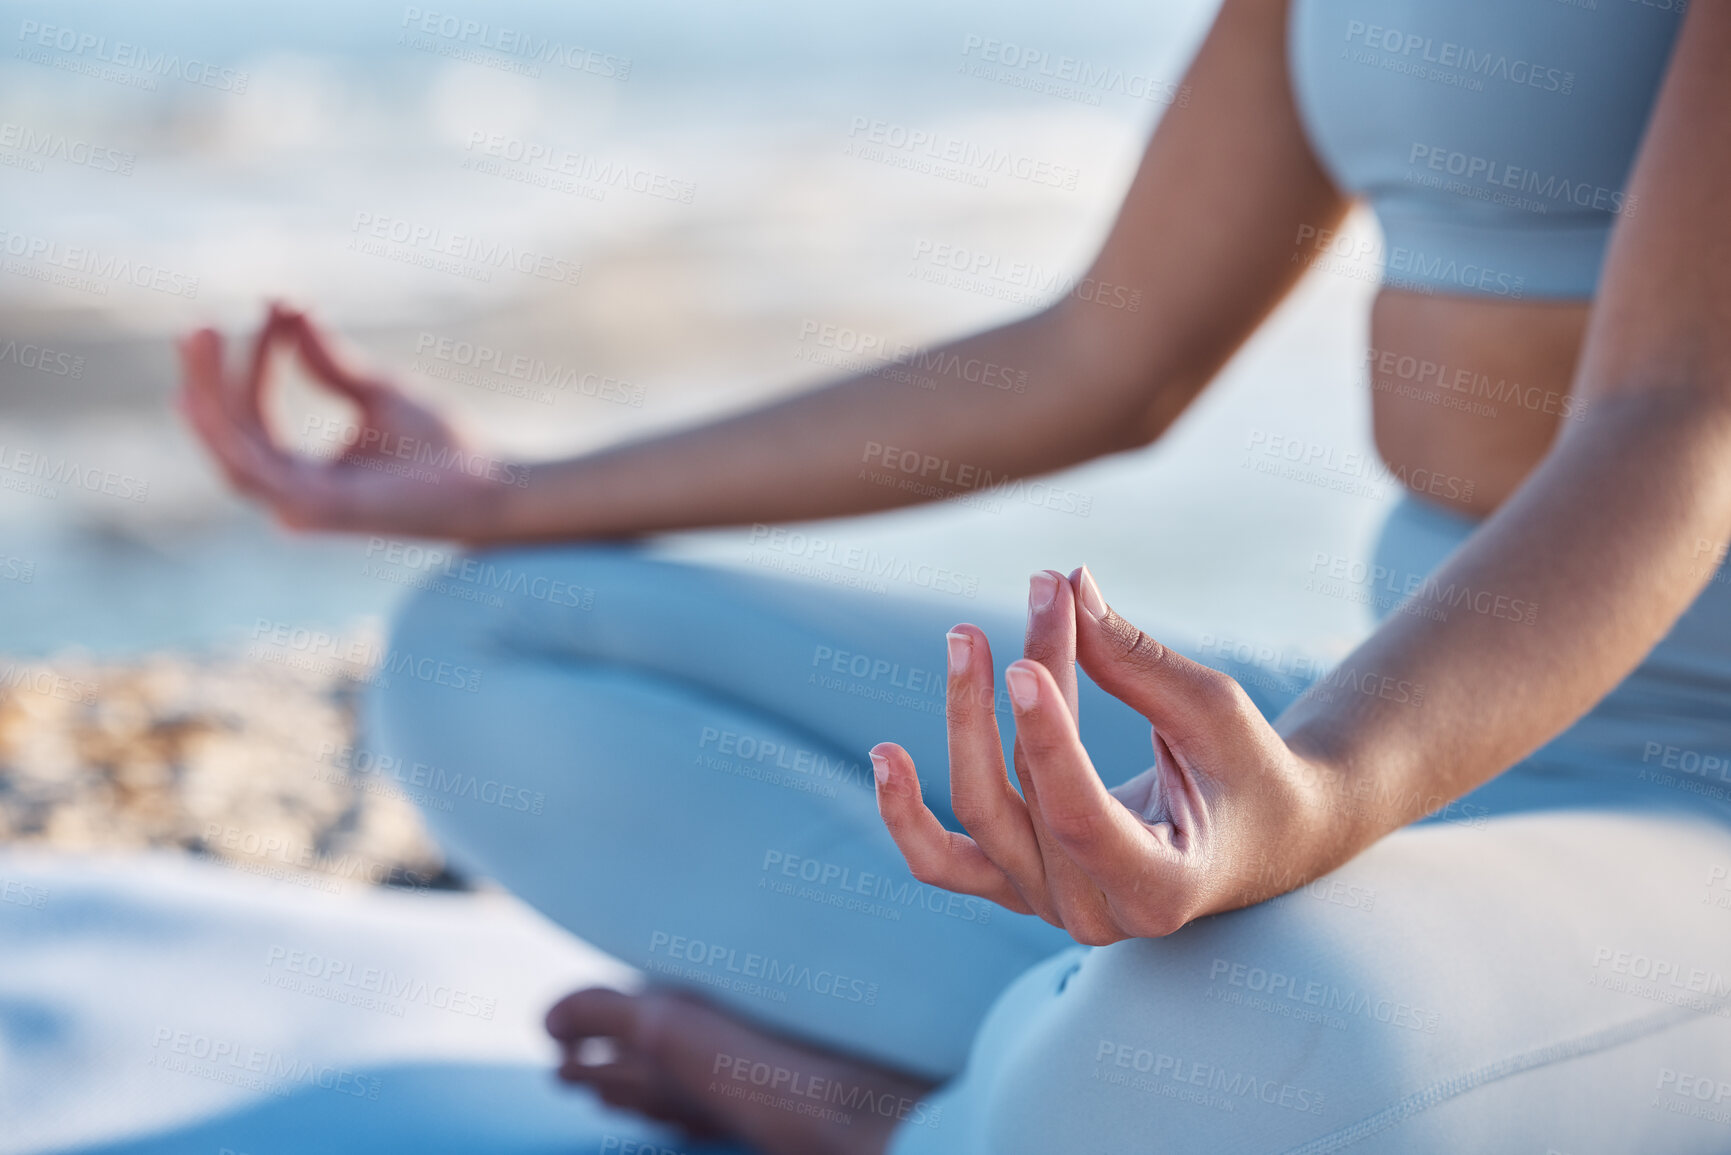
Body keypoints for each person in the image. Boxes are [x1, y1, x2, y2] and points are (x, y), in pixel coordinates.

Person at [179, 0, 1731, 1150]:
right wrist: (509, 494)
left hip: (1684, 802)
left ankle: (901, 1116)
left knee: (1242, 1043)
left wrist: (1322, 794)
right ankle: (1046, 1073)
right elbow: (1100, 352)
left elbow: (1677, 414)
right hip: (1422, 725)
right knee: (497, 651)